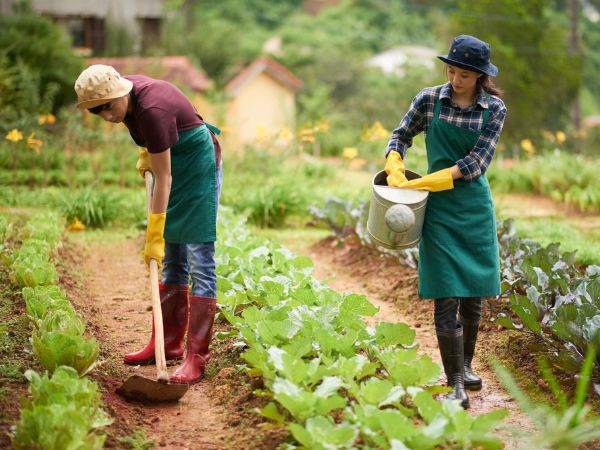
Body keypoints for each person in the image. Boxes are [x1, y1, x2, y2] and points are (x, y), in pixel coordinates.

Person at [74, 64, 223, 384]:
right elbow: (158, 154)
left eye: (109, 106)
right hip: (171, 160)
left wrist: (154, 231)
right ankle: (166, 344)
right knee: (172, 261)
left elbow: (164, 179)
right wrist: (148, 153)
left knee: (198, 258)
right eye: (97, 111)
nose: (107, 116)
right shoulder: (128, 100)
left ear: (121, 93)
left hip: (196, 165)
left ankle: (196, 357)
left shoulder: (151, 109)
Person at [383, 35, 507, 408]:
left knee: (472, 292)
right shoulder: (429, 99)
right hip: (436, 211)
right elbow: (400, 134)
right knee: (445, 291)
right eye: (450, 71)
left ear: (480, 77)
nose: (454, 80)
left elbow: (475, 164)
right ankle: (453, 381)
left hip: (471, 208)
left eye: (463, 75)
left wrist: (425, 181)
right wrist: (394, 160)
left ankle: (466, 367)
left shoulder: (494, 109)